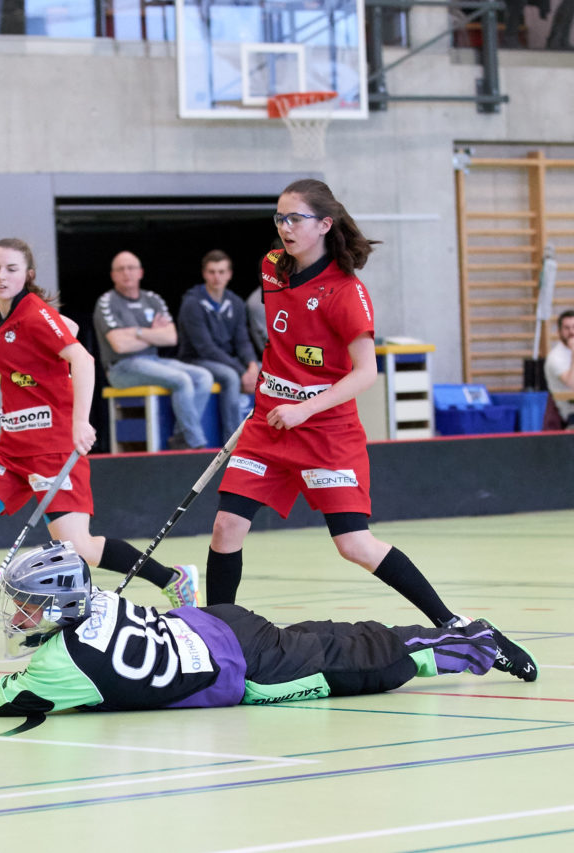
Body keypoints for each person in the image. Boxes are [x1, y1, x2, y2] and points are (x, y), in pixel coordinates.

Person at [203, 179, 535, 680]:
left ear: (324, 224)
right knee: (227, 526)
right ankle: (214, 640)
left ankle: (459, 626)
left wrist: (306, 406)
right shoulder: (272, 268)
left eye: (294, 218)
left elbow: (365, 373)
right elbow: (284, 341)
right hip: (270, 423)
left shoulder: (346, 292)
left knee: (353, 544)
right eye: (279, 218)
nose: (284, 227)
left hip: (325, 428)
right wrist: (270, 382)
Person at [0, 239, 198, 643]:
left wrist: (81, 422)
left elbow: (83, 359)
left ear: (27, 274)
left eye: (11, 269)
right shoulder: (1, 320)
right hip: (10, 452)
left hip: (54, 451)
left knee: (78, 547)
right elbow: (62, 333)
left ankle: (172, 578)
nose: (1, 276)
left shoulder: (32, 312)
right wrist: (62, 328)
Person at [0, 541, 537, 717]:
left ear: (56, 608)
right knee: (334, 633)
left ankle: (471, 642)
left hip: (249, 672)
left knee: (369, 663)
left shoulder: (58, 670)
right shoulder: (91, 600)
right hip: (221, 624)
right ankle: (455, 638)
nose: (16, 617)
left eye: (25, 606)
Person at [93, 251, 213, 450]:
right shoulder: (107, 301)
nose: (126, 273)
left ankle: (181, 436)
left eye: (131, 268)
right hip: (121, 368)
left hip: (153, 361)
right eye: (120, 269)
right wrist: (152, 334)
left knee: (203, 376)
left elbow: (171, 337)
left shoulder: (152, 299)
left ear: (140, 272)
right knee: (181, 379)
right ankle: (196, 443)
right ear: (113, 275)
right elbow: (120, 345)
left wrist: (136, 332)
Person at [177, 249, 261, 444]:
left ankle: (264, 436)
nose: (217, 277)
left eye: (222, 272)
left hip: (225, 359)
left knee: (265, 370)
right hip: (196, 360)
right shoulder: (192, 303)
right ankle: (233, 442)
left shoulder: (236, 302)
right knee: (231, 376)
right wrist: (242, 371)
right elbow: (205, 347)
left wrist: (251, 365)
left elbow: (242, 340)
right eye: (212, 272)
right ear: (204, 274)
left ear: (229, 274)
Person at [544, 309, 574, 427]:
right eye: (567, 328)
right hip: (569, 413)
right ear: (559, 332)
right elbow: (571, 383)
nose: (571, 332)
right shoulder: (555, 357)